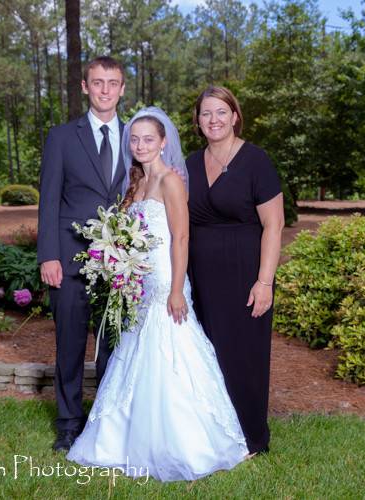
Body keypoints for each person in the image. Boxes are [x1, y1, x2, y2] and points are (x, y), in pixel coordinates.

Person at [66, 107, 248, 482]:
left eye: (149, 139)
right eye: (134, 139)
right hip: (140, 278)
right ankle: (121, 440)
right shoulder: (136, 182)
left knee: (172, 347)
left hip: (166, 277)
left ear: (164, 142)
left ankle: (191, 441)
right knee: (135, 348)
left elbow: (181, 237)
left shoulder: (170, 181)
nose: (140, 145)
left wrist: (178, 288)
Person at [186, 86, 284, 456]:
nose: (214, 120)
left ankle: (251, 439)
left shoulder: (256, 161)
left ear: (235, 116)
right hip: (200, 278)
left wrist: (265, 281)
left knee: (244, 357)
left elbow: (274, 225)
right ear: (197, 121)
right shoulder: (190, 164)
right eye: (206, 113)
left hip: (246, 274)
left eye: (221, 112)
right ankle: (213, 434)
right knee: (206, 355)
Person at [37, 56, 126, 452]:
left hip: (121, 262)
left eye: (113, 82)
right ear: (85, 87)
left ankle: (106, 423)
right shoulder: (61, 137)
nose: (105, 89)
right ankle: (69, 424)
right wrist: (48, 255)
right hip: (70, 259)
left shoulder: (136, 136)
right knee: (70, 345)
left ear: (122, 89)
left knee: (114, 346)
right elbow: (49, 199)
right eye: (98, 82)